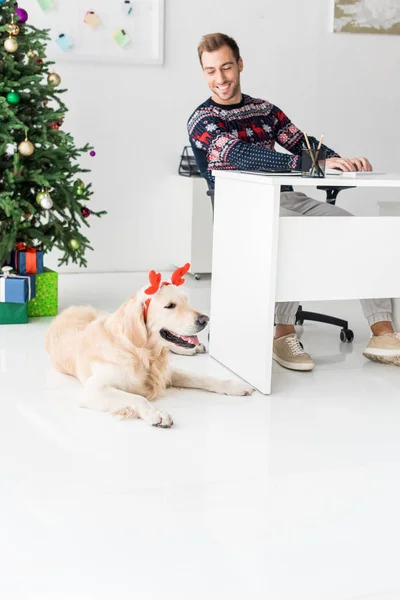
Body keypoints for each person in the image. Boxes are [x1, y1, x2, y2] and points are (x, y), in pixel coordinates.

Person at [187, 32, 400, 371]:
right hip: (242, 207)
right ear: (203, 73)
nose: (220, 78)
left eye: (226, 67)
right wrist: (308, 164)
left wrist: (338, 161)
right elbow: (243, 156)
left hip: (287, 196)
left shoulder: (265, 110)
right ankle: (282, 334)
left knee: (359, 230)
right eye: (210, 71)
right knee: (291, 234)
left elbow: (301, 142)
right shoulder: (203, 120)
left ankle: (383, 331)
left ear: (240, 64)